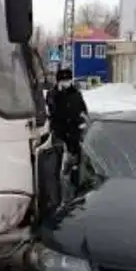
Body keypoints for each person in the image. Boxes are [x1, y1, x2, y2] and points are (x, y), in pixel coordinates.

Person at [46, 69, 88, 197]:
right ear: (58, 82)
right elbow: (51, 109)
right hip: (60, 135)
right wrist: (59, 93)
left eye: (68, 80)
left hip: (74, 134)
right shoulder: (53, 94)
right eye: (63, 81)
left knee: (76, 163)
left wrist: (82, 121)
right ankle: (59, 193)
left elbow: (83, 110)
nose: (66, 83)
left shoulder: (76, 94)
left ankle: (76, 188)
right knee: (60, 166)